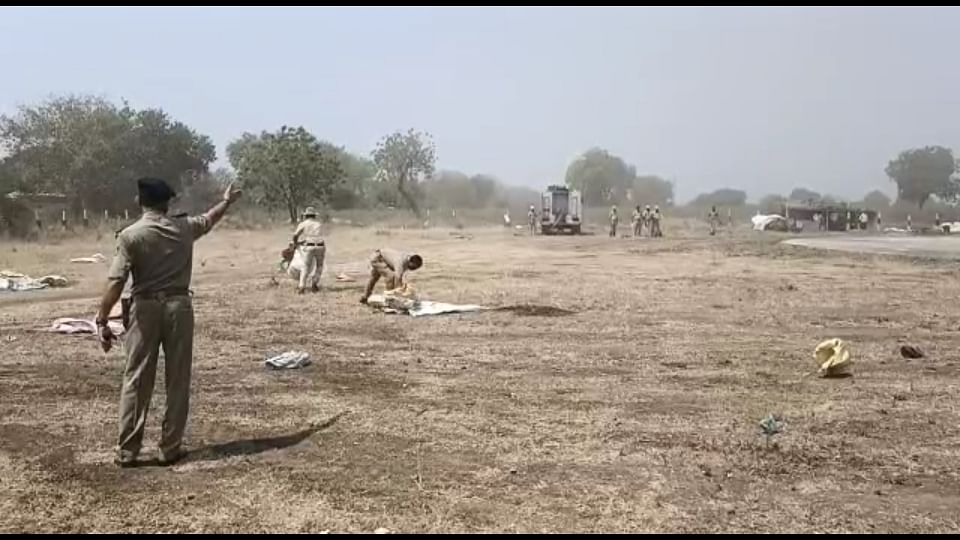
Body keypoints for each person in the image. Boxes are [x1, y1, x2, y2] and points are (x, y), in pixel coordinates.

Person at [95, 177, 241, 468]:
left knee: (136, 378)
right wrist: (227, 201)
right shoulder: (184, 228)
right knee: (177, 378)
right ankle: (169, 447)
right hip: (179, 306)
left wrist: (102, 318)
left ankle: (128, 450)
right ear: (168, 202)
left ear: (139, 202)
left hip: (144, 308)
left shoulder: (130, 235)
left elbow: (116, 281)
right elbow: (209, 220)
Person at [292, 207, 325, 294]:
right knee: (319, 266)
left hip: (309, 246)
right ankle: (314, 283)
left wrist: (296, 243)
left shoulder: (303, 224)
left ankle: (302, 287)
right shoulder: (319, 224)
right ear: (314, 215)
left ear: (306, 216)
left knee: (305, 266)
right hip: (320, 246)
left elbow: (295, 235)